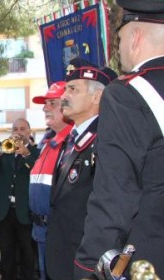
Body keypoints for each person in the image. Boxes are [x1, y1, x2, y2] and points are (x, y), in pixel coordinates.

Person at [74, 0, 164, 277]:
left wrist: (88, 268)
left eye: (120, 37)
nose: (119, 46)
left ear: (135, 37)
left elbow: (114, 198)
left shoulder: (128, 93)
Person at [44, 58, 116, 279]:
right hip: (62, 255)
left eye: (73, 89)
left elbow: (110, 207)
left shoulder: (105, 140)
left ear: (97, 97)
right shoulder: (72, 139)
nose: (64, 96)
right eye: (65, 89)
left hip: (86, 261)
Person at [28, 81, 72, 280]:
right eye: (45, 103)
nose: (45, 108)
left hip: (60, 234)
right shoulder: (46, 142)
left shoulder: (74, 143)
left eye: (52, 103)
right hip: (41, 231)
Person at [0, 118, 39, 280]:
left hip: (25, 211)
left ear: (29, 132)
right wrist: (0, 151)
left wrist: (26, 154)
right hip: (5, 212)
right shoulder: (6, 150)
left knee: (27, 254)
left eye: (22, 129)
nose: (18, 132)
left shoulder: (36, 152)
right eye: (15, 129)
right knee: (6, 253)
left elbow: (38, 172)